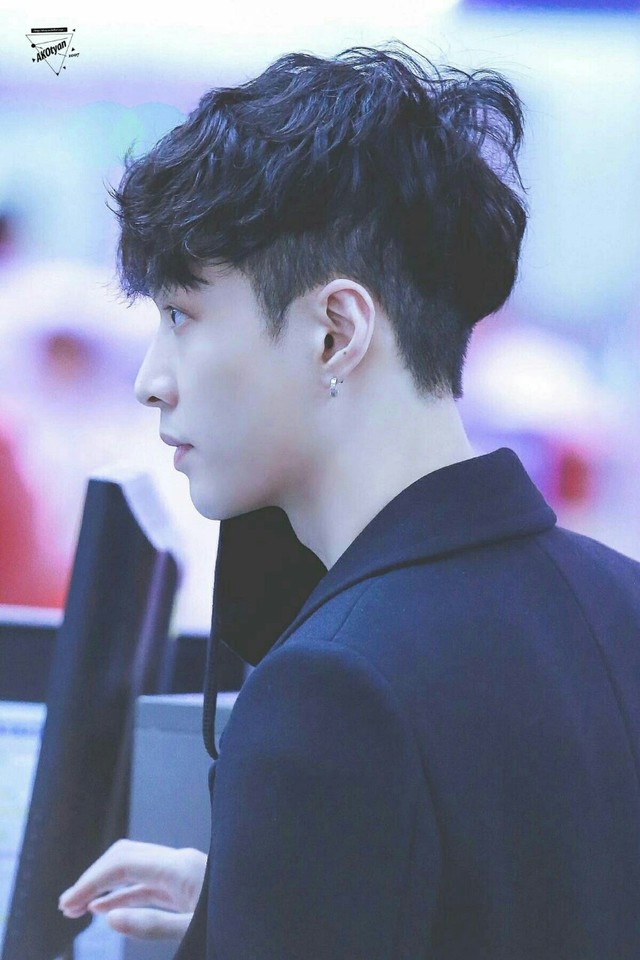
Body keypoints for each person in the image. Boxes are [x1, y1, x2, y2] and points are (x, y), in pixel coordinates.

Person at [58, 43, 640, 958]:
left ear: (336, 332)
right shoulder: (620, 601)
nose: (150, 381)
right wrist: (266, 890)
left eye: (181, 316)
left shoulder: (330, 691)